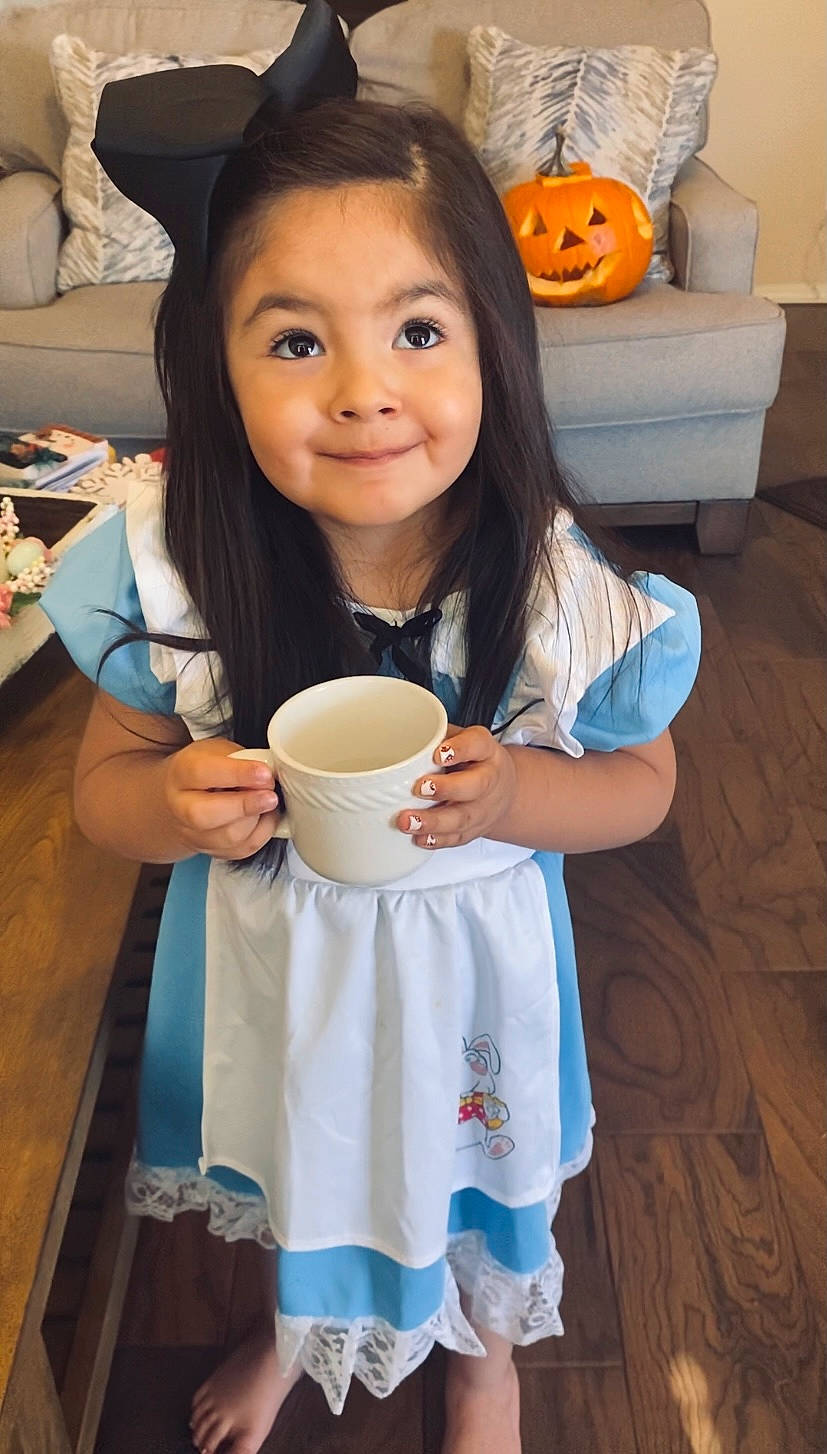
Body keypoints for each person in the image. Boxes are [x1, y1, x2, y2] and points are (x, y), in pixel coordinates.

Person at [39, 4, 701, 1451]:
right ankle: (296, 1327)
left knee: (484, 1170)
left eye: (417, 329)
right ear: (214, 360)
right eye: (294, 340)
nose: (362, 393)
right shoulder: (175, 566)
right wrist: (174, 803)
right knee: (309, 1152)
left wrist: (519, 793)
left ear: (494, 343)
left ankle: (484, 1365)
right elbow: (103, 790)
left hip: (473, 982)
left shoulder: (552, 583)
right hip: (283, 976)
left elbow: (644, 784)